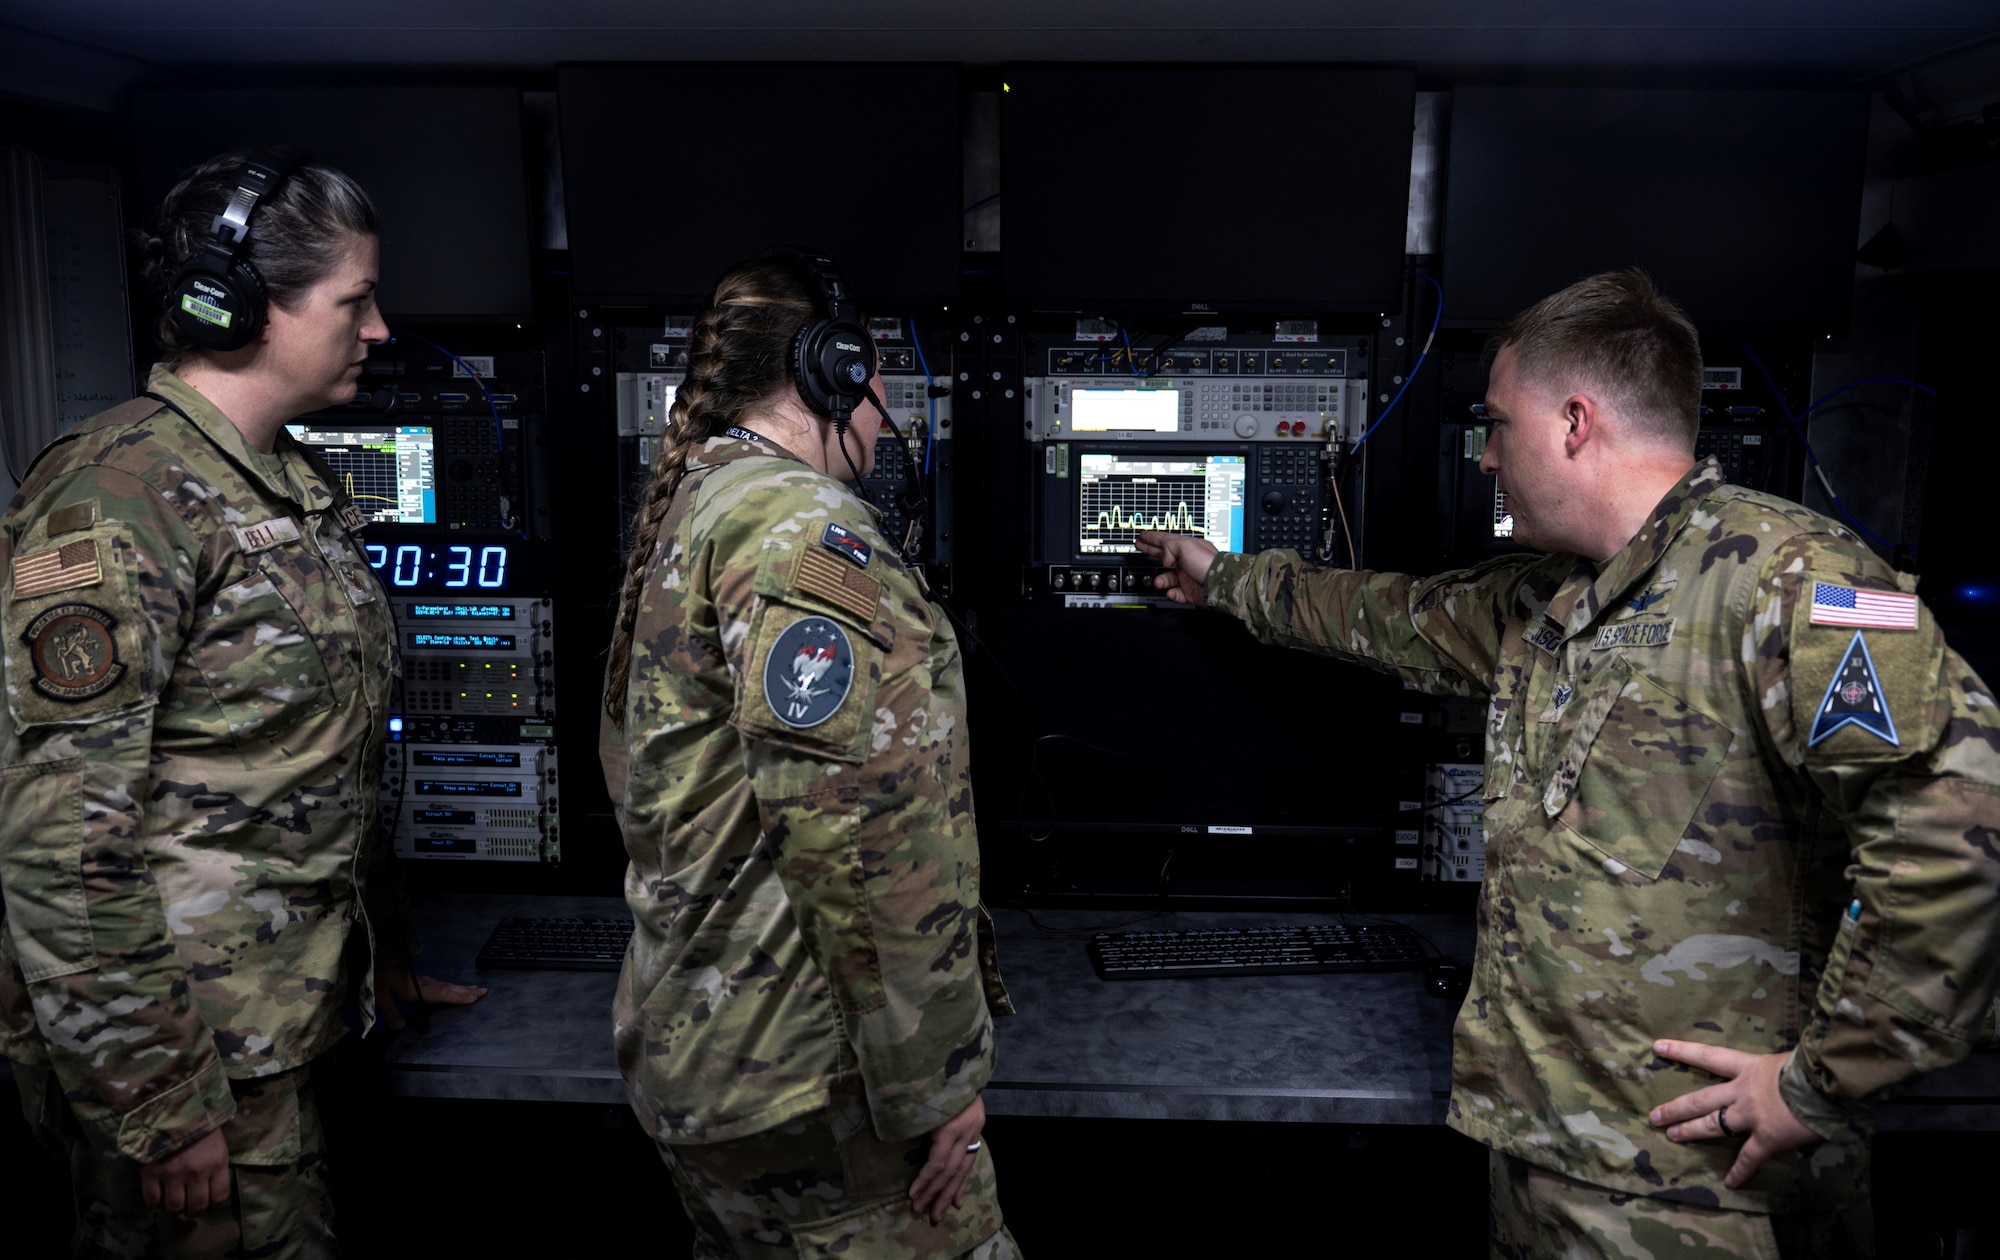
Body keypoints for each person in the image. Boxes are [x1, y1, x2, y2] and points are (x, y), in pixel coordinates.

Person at [1139, 271, 2000, 1258]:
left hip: (1702, 1192)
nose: (1484, 457)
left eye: (1497, 425)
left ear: (1573, 423)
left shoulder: (1804, 585)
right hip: (1546, 1160)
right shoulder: (1553, 602)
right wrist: (1221, 577)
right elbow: (1384, 616)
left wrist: (1822, 1079)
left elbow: (1960, 840)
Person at [0, 150, 484, 1258]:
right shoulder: (117, 500)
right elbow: (61, 846)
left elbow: (306, 761)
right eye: (353, 301)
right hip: (198, 1069)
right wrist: (159, 1103)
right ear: (237, 307)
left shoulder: (280, 483)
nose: (375, 329)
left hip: (285, 1029)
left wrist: (382, 960)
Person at [601, 250, 1018, 1259]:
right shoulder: (802, 528)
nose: (883, 418)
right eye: (877, 384)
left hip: (710, 1058)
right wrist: (936, 1080)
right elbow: (865, 832)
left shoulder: (697, 505)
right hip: (814, 1093)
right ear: (832, 373)